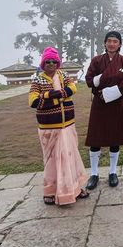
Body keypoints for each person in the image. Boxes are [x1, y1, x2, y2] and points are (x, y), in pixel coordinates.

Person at [29, 47, 88, 205]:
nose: (51, 64)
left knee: (70, 157)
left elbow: (72, 88)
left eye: (54, 61)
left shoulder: (64, 75)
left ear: (57, 63)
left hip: (67, 125)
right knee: (51, 161)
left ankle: (74, 188)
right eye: (47, 61)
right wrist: (54, 95)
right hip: (49, 128)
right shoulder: (38, 80)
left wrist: (50, 97)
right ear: (43, 63)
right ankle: (50, 191)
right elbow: (34, 102)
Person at [85, 30, 123, 189]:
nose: (112, 44)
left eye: (115, 41)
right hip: (99, 103)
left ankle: (113, 172)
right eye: (109, 41)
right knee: (95, 138)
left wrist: (110, 93)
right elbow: (89, 80)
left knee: (115, 137)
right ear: (105, 43)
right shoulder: (97, 60)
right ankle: (94, 173)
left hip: (116, 103)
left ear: (120, 44)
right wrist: (101, 84)